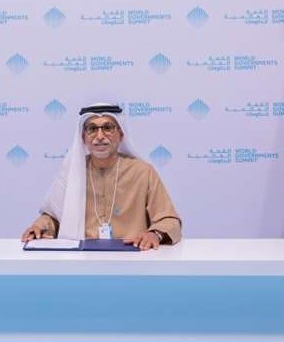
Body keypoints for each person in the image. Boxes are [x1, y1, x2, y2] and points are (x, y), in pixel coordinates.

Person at [20, 103, 182, 250]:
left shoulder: (142, 172)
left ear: (121, 135)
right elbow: (53, 217)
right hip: (81, 259)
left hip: (131, 256)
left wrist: (155, 234)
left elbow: (170, 220)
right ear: (83, 138)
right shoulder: (72, 172)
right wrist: (39, 227)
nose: (99, 136)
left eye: (107, 128)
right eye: (92, 129)